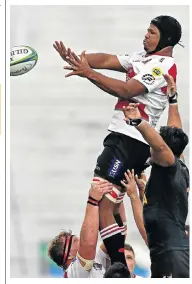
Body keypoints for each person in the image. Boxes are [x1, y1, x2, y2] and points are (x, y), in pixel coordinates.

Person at [54, 15, 182, 191]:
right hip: (123, 136)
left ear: (166, 40)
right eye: (147, 30)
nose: (146, 35)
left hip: (132, 139)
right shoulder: (141, 57)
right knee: (111, 201)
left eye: (152, 32)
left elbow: (126, 90)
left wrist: (88, 73)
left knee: (100, 198)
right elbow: (107, 60)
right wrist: (74, 58)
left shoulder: (162, 66)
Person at [121, 74, 189, 278]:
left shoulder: (167, 161)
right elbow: (175, 131)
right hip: (168, 254)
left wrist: (138, 122)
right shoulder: (178, 162)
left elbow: (159, 145)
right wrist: (173, 100)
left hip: (171, 256)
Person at [48, 179, 113, 278]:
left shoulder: (95, 260)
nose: (80, 240)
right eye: (74, 241)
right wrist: (93, 200)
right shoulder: (73, 273)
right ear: (68, 254)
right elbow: (89, 244)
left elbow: (115, 236)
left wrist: (117, 196)